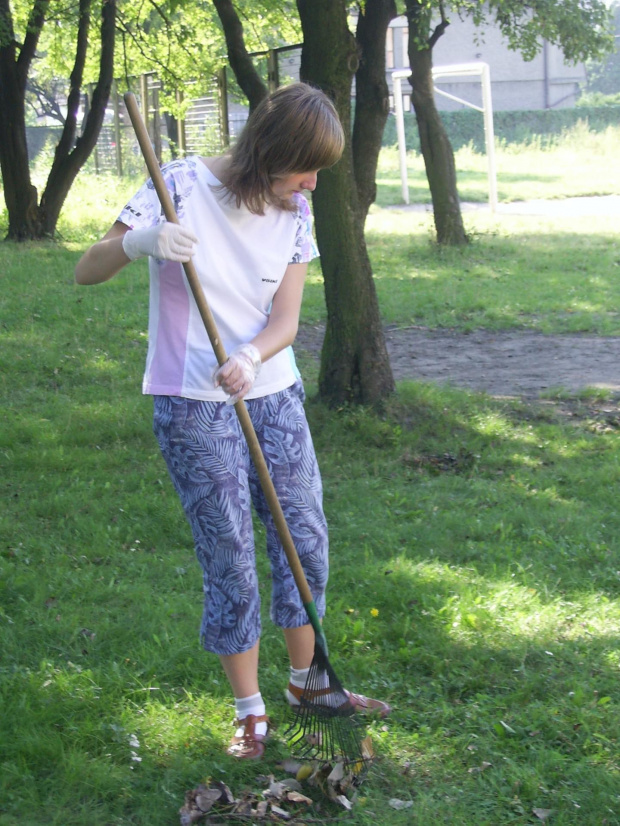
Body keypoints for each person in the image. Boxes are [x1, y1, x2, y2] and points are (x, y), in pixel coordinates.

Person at [75, 82, 389, 760]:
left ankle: (309, 681)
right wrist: (144, 243)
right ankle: (250, 710)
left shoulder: (296, 212)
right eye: (304, 167)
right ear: (268, 153)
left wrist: (250, 355)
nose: (311, 183)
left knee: (303, 535)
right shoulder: (176, 188)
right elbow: (85, 269)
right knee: (231, 557)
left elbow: (286, 320)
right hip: (191, 401)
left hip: (272, 393)